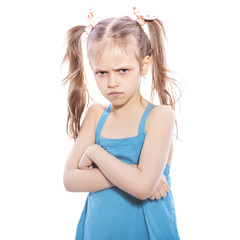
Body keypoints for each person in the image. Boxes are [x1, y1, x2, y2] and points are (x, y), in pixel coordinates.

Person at [62, 7, 181, 240]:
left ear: (144, 65)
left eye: (123, 70)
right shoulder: (96, 115)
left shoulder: (160, 116)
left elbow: (143, 187)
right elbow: (70, 180)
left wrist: (95, 153)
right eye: (102, 73)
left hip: (146, 231)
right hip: (98, 231)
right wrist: (136, 175)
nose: (112, 82)